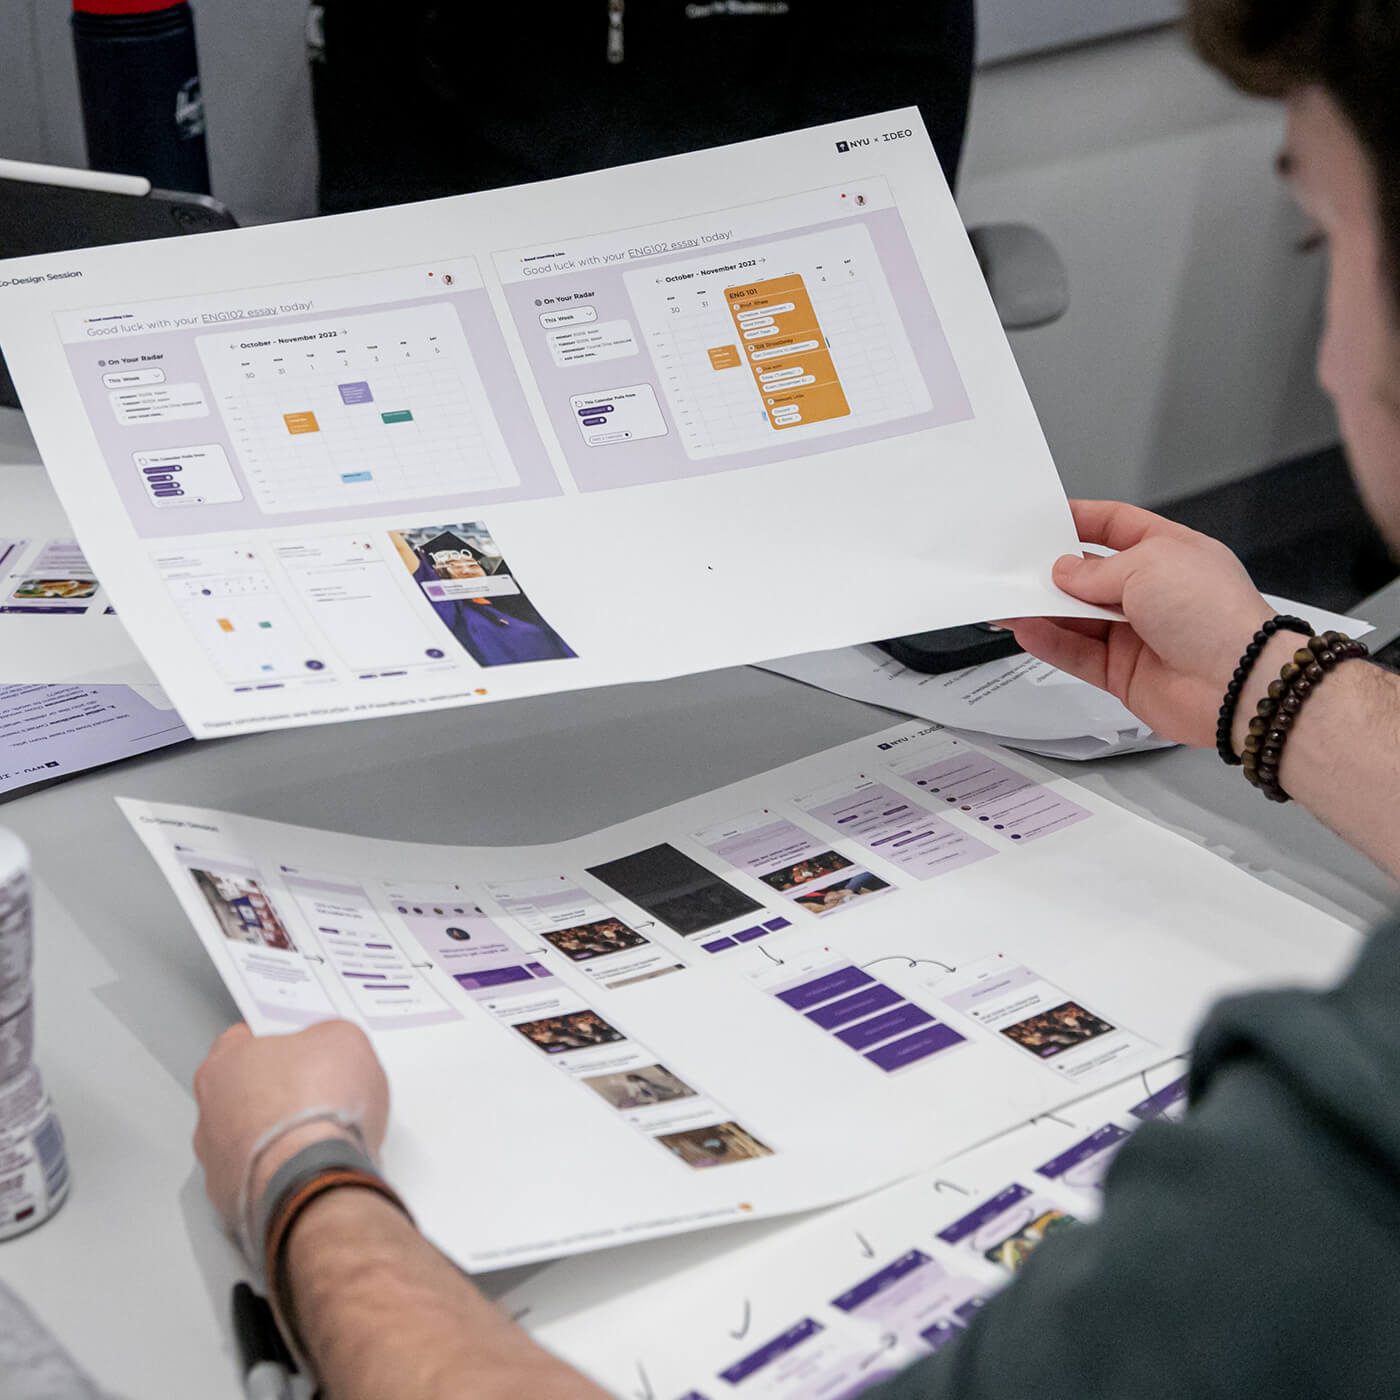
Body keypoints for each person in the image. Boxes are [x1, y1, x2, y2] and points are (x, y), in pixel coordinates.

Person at [191, 2, 1400, 1396]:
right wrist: (1266, 682)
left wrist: (303, 1186)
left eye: (1324, 238)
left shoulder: (1328, 1184)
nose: (1318, 351)